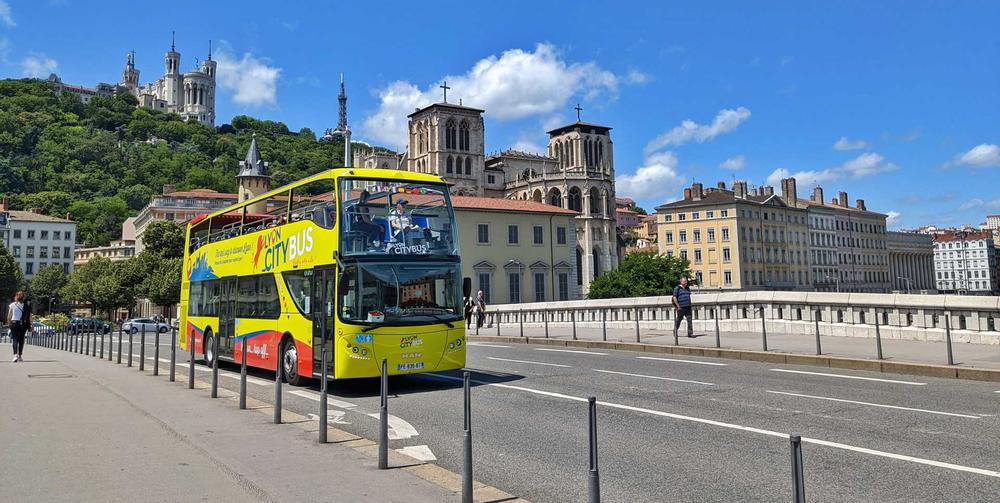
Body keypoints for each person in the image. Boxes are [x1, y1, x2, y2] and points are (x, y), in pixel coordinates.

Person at [7, 291, 30, 362]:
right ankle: (20, 356)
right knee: (21, 340)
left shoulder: (12, 305)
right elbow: (29, 316)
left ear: (16, 297)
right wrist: (31, 325)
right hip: (22, 324)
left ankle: (15, 355)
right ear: (23, 298)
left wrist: (9, 324)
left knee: (15, 339)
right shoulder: (26, 305)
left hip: (14, 323)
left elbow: (9, 316)